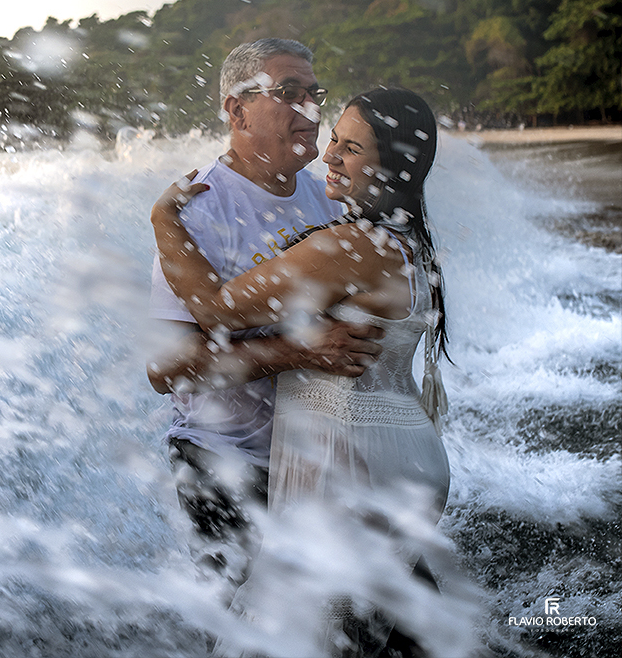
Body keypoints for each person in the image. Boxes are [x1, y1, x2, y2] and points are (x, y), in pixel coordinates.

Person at [153, 87, 451, 656]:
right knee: (354, 631)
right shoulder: (410, 239)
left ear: (393, 166)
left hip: (351, 459)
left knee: (296, 633)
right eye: (334, 140)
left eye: (352, 148)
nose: (329, 157)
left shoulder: (352, 246)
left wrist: (164, 219)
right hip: (406, 451)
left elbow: (215, 308)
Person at [146, 38, 384, 586]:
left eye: (313, 93)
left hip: (316, 453)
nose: (309, 107)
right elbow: (166, 368)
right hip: (226, 461)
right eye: (288, 92)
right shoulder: (198, 211)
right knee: (248, 630)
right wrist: (296, 351)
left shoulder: (327, 196)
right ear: (236, 108)